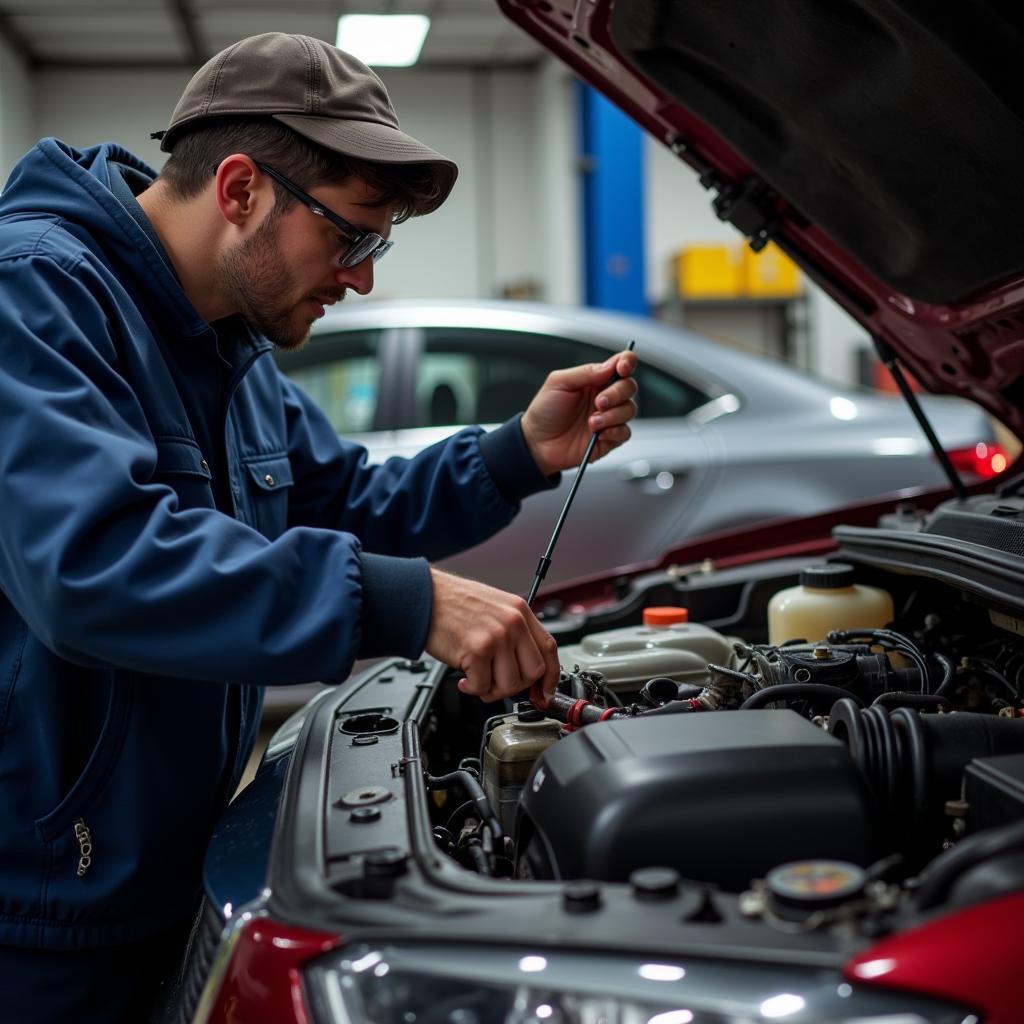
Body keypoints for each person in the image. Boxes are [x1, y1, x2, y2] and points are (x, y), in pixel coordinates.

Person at [0, 31, 637, 1023]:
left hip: (168, 862)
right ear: (242, 188)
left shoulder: (231, 345)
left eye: (376, 245)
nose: (362, 277)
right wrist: (411, 600)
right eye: (351, 237)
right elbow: (93, 562)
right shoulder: (35, 293)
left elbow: (343, 500)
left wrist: (515, 450)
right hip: (44, 906)